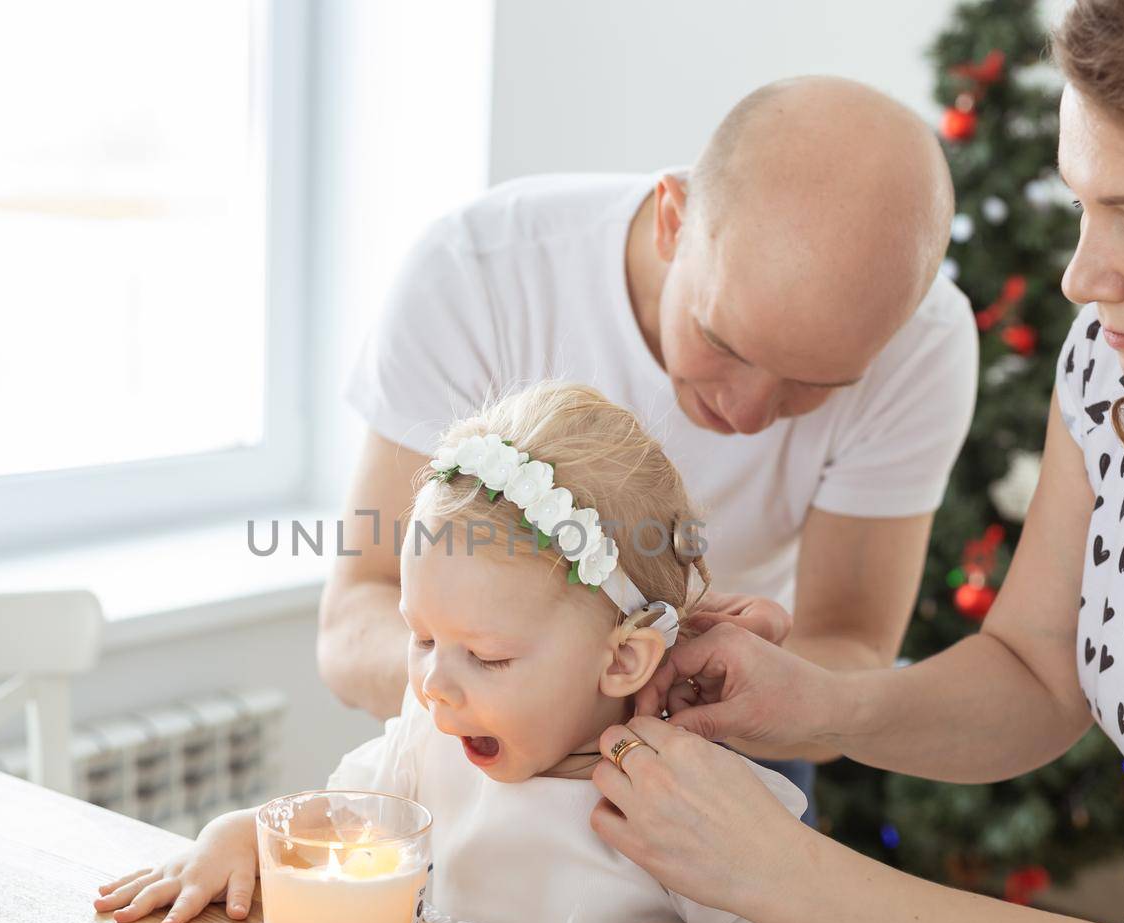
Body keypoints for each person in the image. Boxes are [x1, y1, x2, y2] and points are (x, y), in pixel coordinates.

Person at [589, 2, 1124, 923]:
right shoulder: (1120, 374)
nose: (1081, 278)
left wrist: (768, 865)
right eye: (1081, 206)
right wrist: (825, 703)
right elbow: (1038, 671)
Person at [94, 383, 838, 923]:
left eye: (486, 656)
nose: (433, 686)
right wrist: (237, 836)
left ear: (621, 660)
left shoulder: (692, 802)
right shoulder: (429, 748)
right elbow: (334, 827)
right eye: (422, 637)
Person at [318, 76, 978, 810]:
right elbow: (353, 620)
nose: (749, 412)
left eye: (816, 383)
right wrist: (512, 679)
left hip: (730, 746)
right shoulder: (479, 272)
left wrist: (661, 683)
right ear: (673, 219)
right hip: (464, 748)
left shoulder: (927, 347)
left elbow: (849, 656)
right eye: (721, 342)